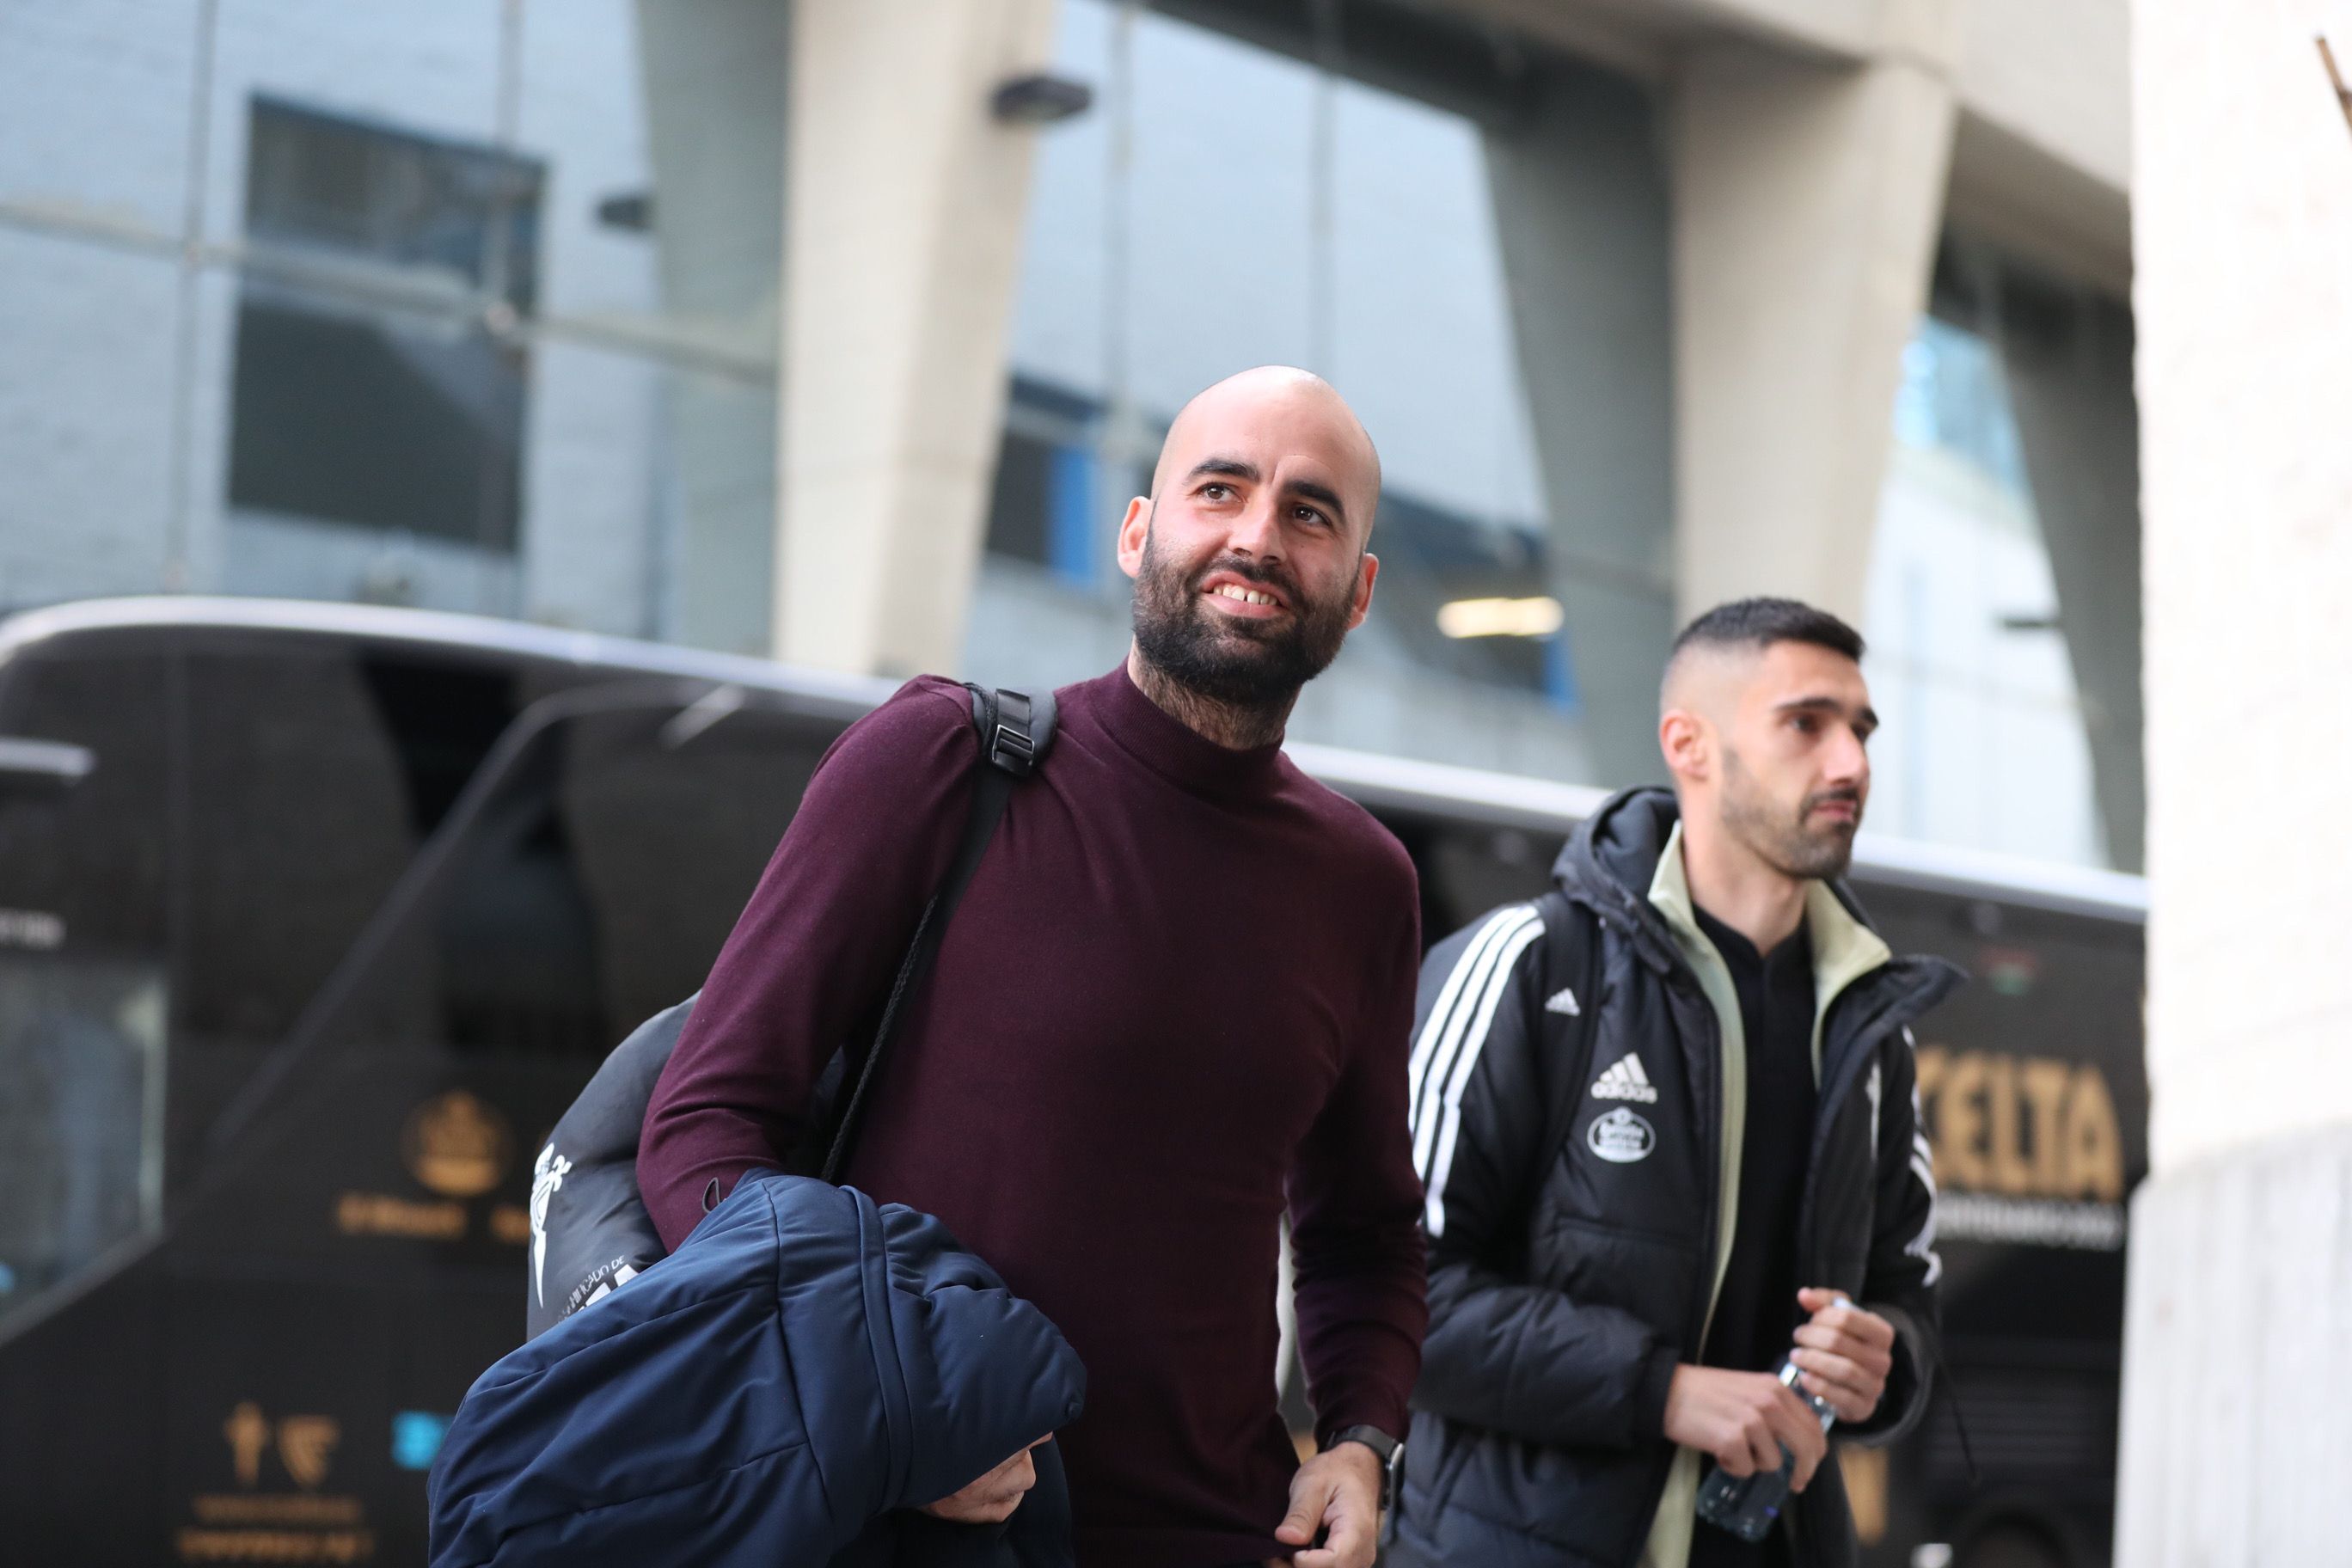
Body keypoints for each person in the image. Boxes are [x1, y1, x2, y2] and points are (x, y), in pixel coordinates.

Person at [639, 366, 1425, 1568]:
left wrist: (1363, 1442)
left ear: (1358, 592)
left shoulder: (1364, 884)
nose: (1258, 536)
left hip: (1217, 1532)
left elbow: (1365, 1234)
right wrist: (889, 1406)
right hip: (905, 1523)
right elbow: (703, 1127)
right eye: (1220, 489)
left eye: (1310, 512)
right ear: (1136, 531)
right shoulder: (941, 763)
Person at [1386, 598, 1961, 1568]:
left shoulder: (1870, 1028)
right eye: (1806, 723)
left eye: (1860, 730)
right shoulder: (1530, 965)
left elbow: (1908, 1299)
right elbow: (1393, 1299)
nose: (1851, 763)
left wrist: (1884, 1363)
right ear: (1689, 744)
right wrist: (1662, 1389)